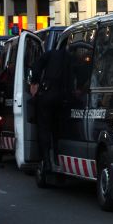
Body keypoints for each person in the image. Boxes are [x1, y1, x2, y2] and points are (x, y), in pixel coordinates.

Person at [30, 45, 70, 182]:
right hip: (62, 97)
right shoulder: (70, 57)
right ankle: (58, 158)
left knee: (44, 128)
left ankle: (46, 161)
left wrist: (34, 83)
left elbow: (36, 67)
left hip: (47, 95)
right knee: (57, 129)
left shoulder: (50, 54)